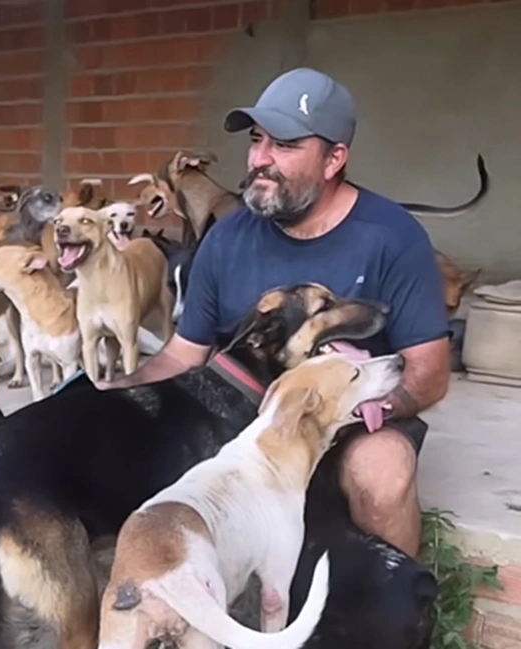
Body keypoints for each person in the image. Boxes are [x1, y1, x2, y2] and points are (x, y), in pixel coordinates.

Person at [96, 67, 451, 558]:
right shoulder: (226, 239)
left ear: (334, 159)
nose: (260, 160)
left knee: (382, 470)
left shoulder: (392, 237)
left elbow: (429, 372)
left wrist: (351, 409)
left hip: (355, 417)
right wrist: (113, 394)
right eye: (257, 140)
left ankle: (394, 607)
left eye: (284, 145)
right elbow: (182, 355)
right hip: (249, 421)